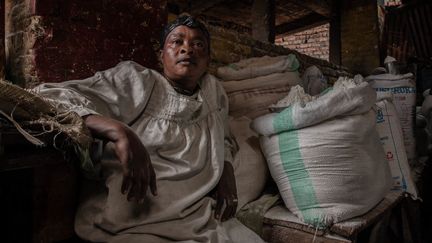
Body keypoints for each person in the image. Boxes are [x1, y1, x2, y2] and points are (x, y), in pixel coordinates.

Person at [35, 15, 264, 243]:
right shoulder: (137, 81)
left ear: (208, 60)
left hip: (199, 218)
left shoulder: (213, 92)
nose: (188, 49)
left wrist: (226, 170)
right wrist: (119, 131)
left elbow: (222, 137)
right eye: (177, 42)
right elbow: (49, 97)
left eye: (198, 44)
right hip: (133, 223)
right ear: (160, 54)